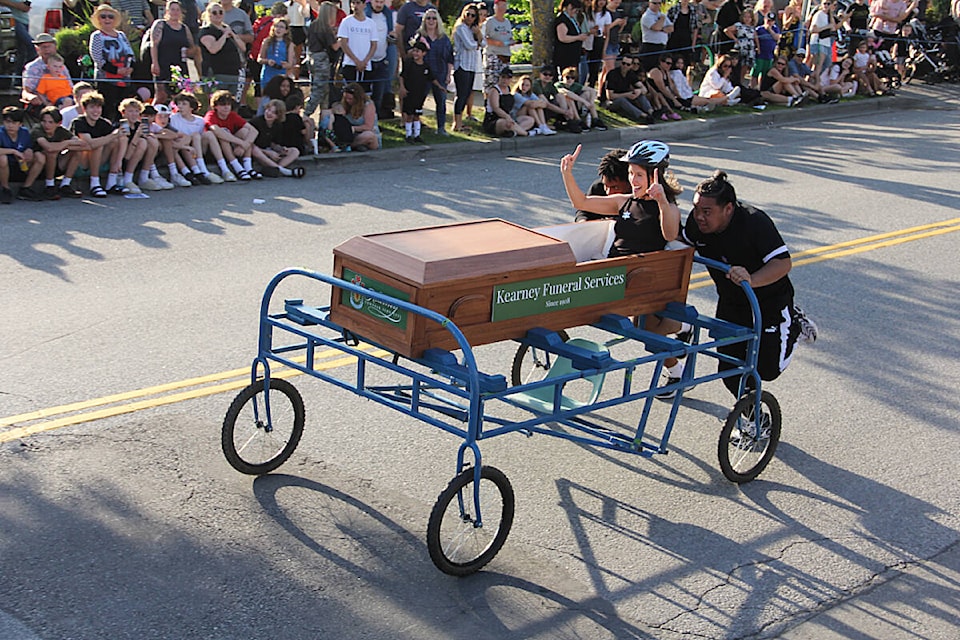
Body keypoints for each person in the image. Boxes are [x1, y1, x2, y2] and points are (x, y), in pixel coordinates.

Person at [678, 170, 815, 396]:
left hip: (769, 300)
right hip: (732, 301)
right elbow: (682, 244)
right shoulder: (697, 223)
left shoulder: (754, 222)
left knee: (767, 369)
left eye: (707, 211)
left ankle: (794, 324)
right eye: (695, 209)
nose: (699, 216)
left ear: (728, 208)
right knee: (729, 368)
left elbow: (783, 263)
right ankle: (754, 420)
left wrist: (751, 279)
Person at [70, 91, 128, 198]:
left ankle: (111, 182)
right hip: (79, 163)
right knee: (98, 145)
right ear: (84, 109)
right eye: (92, 107)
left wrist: (118, 161)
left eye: (98, 107)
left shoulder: (103, 123)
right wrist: (113, 135)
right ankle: (94, 184)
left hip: (98, 161)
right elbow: (90, 144)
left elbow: (122, 137)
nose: (96, 111)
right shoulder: (78, 122)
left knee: (115, 141)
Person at [88, 4, 136, 119]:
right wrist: (116, 70)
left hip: (124, 80)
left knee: (122, 110)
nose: (107, 19)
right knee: (107, 110)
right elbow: (98, 58)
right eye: (103, 16)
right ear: (98, 19)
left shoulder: (121, 35)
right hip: (106, 81)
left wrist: (130, 68)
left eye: (110, 16)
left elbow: (130, 53)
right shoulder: (97, 36)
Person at [151, 0, 202, 106]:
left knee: (180, 97)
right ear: (167, 11)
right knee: (161, 96)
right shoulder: (160, 24)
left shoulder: (184, 28)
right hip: (163, 64)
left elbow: (192, 47)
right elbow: (154, 45)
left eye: (177, 10)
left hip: (180, 66)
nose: (175, 12)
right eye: (172, 9)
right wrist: (154, 63)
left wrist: (191, 51)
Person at [204, 89, 261, 180]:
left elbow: (254, 131)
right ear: (216, 106)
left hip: (233, 148)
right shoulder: (211, 115)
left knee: (245, 132)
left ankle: (248, 167)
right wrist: (242, 143)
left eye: (228, 104)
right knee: (224, 135)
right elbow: (216, 131)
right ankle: (237, 167)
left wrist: (245, 145)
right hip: (215, 151)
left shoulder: (232, 115)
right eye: (222, 105)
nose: (226, 107)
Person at [31, 105, 87, 199]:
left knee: (77, 151)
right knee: (51, 153)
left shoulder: (61, 131)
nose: (47, 125)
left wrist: (65, 144)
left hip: (57, 164)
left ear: (58, 123)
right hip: (38, 166)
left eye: (50, 122)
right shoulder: (37, 130)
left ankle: (65, 184)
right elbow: (48, 148)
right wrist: (67, 143)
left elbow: (81, 144)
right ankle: (49, 186)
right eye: (44, 121)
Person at [171, 91, 224, 183]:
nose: (180, 106)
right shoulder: (173, 118)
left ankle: (223, 169)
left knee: (205, 135)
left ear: (191, 107)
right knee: (188, 137)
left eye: (184, 104)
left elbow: (200, 138)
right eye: (178, 104)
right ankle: (199, 170)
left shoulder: (200, 121)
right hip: (181, 149)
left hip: (197, 151)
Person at [416, 8, 453, 135]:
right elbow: (412, 53)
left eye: (434, 18)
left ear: (438, 21)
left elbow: (449, 58)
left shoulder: (444, 39)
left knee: (441, 101)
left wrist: (448, 75)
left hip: (440, 73)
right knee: (418, 101)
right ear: (424, 20)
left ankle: (441, 128)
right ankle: (416, 127)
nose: (431, 21)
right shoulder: (419, 36)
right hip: (423, 73)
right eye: (428, 18)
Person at [399, 40, 445, 143]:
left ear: (424, 53)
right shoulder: (409, 64)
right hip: (409, 93)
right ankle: (408, 135)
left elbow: (432, 78)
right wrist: (402, 87)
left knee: (417, 115)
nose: (415, 53)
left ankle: (417, 135)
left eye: (418, 51)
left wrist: (440, 86)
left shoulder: (426, 66)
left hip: (419, 95)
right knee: (409, 115)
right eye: (414, 51)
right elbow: (402, 76)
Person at [303, 1, 341, 119]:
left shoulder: (313, 25)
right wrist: (341, 39)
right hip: (321, 60)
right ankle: (306, 114)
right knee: (319, 90)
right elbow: (335, 46)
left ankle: (324, 118)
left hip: (312, 57)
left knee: (324, 90)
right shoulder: (325, 28)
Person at [0, 106, 46, 203]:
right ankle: (5, 189)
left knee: (40, 157)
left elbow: (29, 146)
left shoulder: (24, 132)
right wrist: (13, 151)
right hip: (5, 167)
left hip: (21, 164)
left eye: (14, 122)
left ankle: (26, 188)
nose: (10, 125)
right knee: (2, 158)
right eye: (7, 122)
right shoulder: (1, 133)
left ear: (20, 124)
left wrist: (29, 150)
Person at [249, 99, 304, 176]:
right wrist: (267, 152)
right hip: (258, 152)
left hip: (269, 150)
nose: (269, 114)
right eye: (268, 110)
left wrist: (281, 149)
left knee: (295, 151)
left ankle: (275, 169)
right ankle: (283, 170)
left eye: (274, 113)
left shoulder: (278, 125)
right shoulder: (256, 122)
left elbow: (273, 143)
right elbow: (250, 144)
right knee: (254, 150)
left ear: (278, 116)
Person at [573, 147, 629, 222]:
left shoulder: (643, 196)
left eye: (615, 187)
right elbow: (584, 211)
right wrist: (583, 221)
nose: (609, 192)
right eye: (606, 186)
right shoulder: (598, 188)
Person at [451, 3, 482, 133]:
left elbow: (483, 43)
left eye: (472, 15)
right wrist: (478, 42)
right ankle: (456, 123)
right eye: (467, 14)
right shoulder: (460, 28)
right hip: (462, 65)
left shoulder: (474, 30)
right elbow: (469, 45)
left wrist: (479, 35)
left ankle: (460, 122)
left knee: (468, 93)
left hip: (471, 66)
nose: (469, 17)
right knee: (461, 95)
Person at [364, 0, 394, 122]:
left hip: (382, 59)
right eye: (376, 1)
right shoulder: (365, 16)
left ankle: (375, 122)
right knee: (366, 94)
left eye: (381, 2)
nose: (379, 4)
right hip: (367, 60)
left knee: (378, 95)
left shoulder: (387, 15)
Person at [483, 66, 533, 137]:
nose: (505, 80)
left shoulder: (508, 89)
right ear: (499, 77)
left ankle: (514, 132)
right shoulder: (494, 90)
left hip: (509, 117)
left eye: (508, 78)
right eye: (503, 77)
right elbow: (496, 108)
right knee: (506, 124)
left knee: (530, 120)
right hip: (495, 120)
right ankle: (526, 133)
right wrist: (507, 117)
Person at [604, 54, 656, 123]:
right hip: (610, 102)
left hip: (625, 98)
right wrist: (627, 94)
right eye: (623, 63)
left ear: (631, 66)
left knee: (639, 95)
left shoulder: (630, 74)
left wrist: (639, 91)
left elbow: (644, 89)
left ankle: (651, 112)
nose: (625, 66)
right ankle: (644, 116)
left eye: (628, 64)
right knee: (622, 100)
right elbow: (610, 96)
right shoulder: (612, 74)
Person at [331, 82, 381, 150]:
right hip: (350, 135)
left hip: (365, 133)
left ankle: (348, 146)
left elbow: (368, 126)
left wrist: (352, 128)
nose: (348, 101)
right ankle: (351, 145)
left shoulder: (368, 105)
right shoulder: (345, 105)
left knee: (369, 136)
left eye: (350, 99)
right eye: (346, 98)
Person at [338, 0, 377, 89]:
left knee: (364, 94)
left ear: (364, 5)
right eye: (353, 3)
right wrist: (356, 61)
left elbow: (374, 44)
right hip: (350, 64)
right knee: (350, 93)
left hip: (366, 66)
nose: (355, 6)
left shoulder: (371, 23)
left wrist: (365, 61)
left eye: (358, 3)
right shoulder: (346, 22)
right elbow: (343, 43)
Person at [532, 65, 579, 130]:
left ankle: (569, 121)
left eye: (550, 75)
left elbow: (558, 96)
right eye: (545, 74)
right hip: (538, 108)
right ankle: (567, 120)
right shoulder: (536, 84)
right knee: (543, 104)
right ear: (540, 74)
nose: (547, 76)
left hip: (547, 108)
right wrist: (565, 112)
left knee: (561, 96)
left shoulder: (550, 84)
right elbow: (546, 104)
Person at [21, 33, 59, 111]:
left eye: (49, 46)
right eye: (43, 47)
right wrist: (31, 97)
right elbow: (26, 91)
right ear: (37, 49)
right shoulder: (32, 67)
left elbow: (70, 86)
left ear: (55, 48)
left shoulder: (60, 65)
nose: (47, 50)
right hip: (43, 105)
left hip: (63, 99)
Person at [554, 0, 589, 77]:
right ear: (569, 7)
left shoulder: (571, 19)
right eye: (575, 10)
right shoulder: (562, 20)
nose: (576, 12)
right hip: (565, 56)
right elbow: (562, 37)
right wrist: (578, 37)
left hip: (574, 55)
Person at [258, 18, 295, 89]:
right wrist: (267, 61)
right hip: (267, 73)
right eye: (276, 26)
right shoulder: (267, 41)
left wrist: (285, 65)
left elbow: (290, 64)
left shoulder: (289, 44)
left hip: (281, 73)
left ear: (286, 30)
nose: (278, 29)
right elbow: (259, 59)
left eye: (281, 27)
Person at [724, 8, 758, 86]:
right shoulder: (739, 25)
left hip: (750, 48)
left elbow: (755, 37)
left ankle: (741, 83)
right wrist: (735, 39)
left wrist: (758, 47)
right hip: (740, 47)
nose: (747, 19)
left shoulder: (752, 27)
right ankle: (731, 83)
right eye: (745, 17)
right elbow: (727, 30)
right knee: (736, 65)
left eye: (749, 17)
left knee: (745, 66)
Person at [598, 0, 626, 96]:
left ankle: (600, 91)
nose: (617, 5)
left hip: (615, 41)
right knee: (611, 69)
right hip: (607, 42)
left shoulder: (617, 13)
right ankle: (609, 92)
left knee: (606, 69)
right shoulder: (605, 12)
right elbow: (604, 29)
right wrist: (614, 23)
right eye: (615, 3)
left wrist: (621, 25)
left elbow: (617, 31)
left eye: (618, 3)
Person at [639, 0, 673, 71]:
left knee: (661, 69)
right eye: (654, 3)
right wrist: (662, 20)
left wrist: (661, 29)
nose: (657, 5)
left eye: (659, 3)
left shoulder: (661, 15)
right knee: (650, 70)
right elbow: (656, 27)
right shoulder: (646, 16)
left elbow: (671, 28)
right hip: (650, 46)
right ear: (649, 3)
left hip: (661, 46)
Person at [667, 0, 700, 73]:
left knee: (685, 63)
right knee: (673, 62)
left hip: (686, 40)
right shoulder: (673, 9)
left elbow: (695, 28)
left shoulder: (693, 10)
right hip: (673, 40)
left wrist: (693, 44)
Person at [808, 0, 838, 77]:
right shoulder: (819, 14)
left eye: (828, 4)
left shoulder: (828, 16)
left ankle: (813, 82)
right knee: (818, 66)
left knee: (826, 64)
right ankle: (812, 83)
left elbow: (833, 28)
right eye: (825, 3)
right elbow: (812, 29)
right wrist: (826, 27)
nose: (826, 5)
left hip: (826, 43)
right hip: (818, 41)